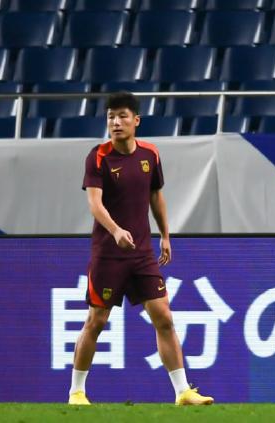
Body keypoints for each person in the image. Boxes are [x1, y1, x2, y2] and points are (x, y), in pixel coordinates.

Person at [68, 92, 214, 406]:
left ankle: (183, 391)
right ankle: (76, 392)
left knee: (164, 317)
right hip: (109, 253)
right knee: (97, 321)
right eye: (110, 116)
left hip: (142, 254)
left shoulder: (151, 153)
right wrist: (116, 230)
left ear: (136, 120)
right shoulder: (98, 157)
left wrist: (165, 235)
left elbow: (155, 196)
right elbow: (94, 204)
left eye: (122, 116)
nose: (115, 122)